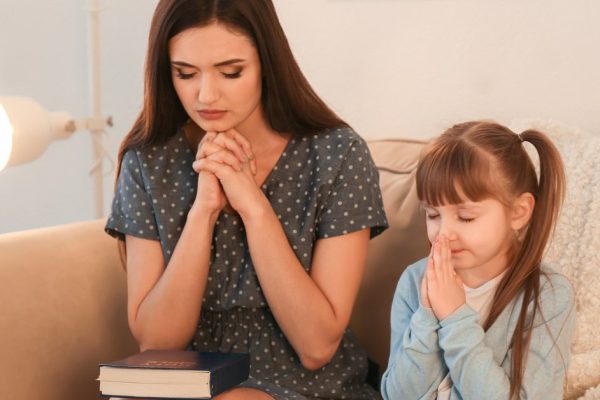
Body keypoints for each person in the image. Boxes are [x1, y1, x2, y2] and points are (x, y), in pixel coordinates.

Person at [105, 0, 388, 399]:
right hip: (188, 384)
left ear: (267, 64)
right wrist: (202, 212)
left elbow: (317, 346)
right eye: (185, 73)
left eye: (231, 72)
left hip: (305, 384)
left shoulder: (337, 156)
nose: (206, 95)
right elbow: (156, 345)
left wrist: (253, 207)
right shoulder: (149, 162)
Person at [380, 121, 576, 399]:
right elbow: (396, 395)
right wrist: (426, 317)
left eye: (466, 217)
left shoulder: (548, 296)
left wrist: (454, 318)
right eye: (433, 215)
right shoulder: (415, 281)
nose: (443, 234)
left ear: (518, 212)